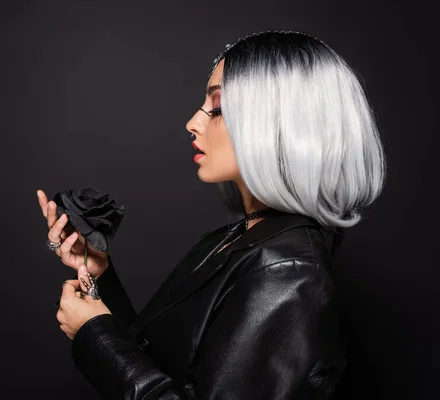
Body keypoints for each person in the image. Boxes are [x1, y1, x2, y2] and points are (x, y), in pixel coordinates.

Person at [37, 30, 386, 399]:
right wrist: (100, 277)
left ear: (278, 124)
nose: (193, 122)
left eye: (216, 108)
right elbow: (160, 359)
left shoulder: (288, 269)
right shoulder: (241, 237)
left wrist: (94, 334)